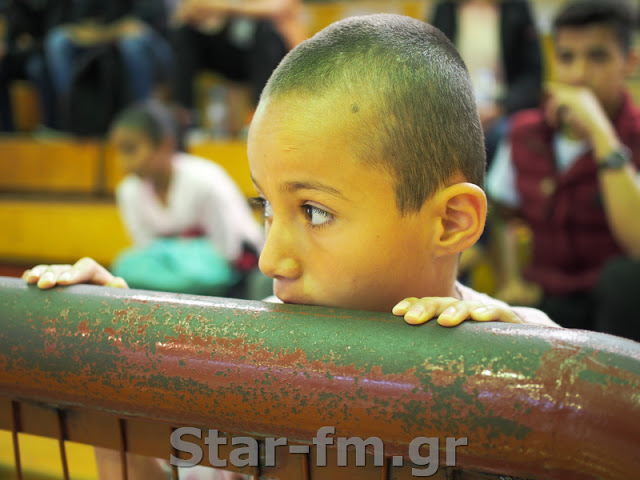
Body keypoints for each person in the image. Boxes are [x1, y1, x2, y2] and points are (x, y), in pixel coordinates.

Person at [24, 13, 558, 478]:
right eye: (267, 208)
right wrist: (112, 382)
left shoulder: (540, 358)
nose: (270, 260)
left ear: (449, 222)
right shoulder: (250, 371)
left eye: (315, 212)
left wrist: (519, 383)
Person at [487, 0, 640, 340]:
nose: (579, 74)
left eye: (598, 57)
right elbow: (503, 214)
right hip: (547, 303)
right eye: (567, 57)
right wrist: (511, 277)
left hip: (617, 313)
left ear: (629, 62)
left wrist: (601, 132)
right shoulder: (525, 133)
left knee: (625, 280)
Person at [109, 100, 265, 296]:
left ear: (166, 144)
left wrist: (179, 255)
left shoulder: (205, 180)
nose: (123, 162)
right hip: (171, 277)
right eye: (119, 151)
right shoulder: (128, 191)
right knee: (125, 265)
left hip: (234, 275)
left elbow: (228, 252)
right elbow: (147, 251)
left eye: (131, 149)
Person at [430, 0, 543, 166]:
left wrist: (499, 108)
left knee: (496, 140)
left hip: (502, 109)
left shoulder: (516, 9)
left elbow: (531, 76)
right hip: (452, 107)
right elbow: (430, 69)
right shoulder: (445, 9)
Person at [169, 0, 306, 132]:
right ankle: (186, 116)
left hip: (271, 54)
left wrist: (227, 7)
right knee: (184, 33)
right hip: (230, 49)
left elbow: (278, 7)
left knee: (264, 31)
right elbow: (187, 11)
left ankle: (259, 115)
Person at [44, 0, 174, 129]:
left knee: (133, 45)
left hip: (155, 47)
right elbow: (72, 25)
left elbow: (138, 26)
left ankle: (141, 118)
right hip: (106, 38)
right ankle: (73, 113)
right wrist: (108, 33)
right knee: (57, 41)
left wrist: (100, 33)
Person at [0, 0, 63, 131]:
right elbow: (12, 40)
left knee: (37, 67)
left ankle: (50, 125)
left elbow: (50, 42)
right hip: (20, 57)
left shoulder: (54, 5)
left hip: (46, 59)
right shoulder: (14, 6)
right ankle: (6, 130)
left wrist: (24, 47)